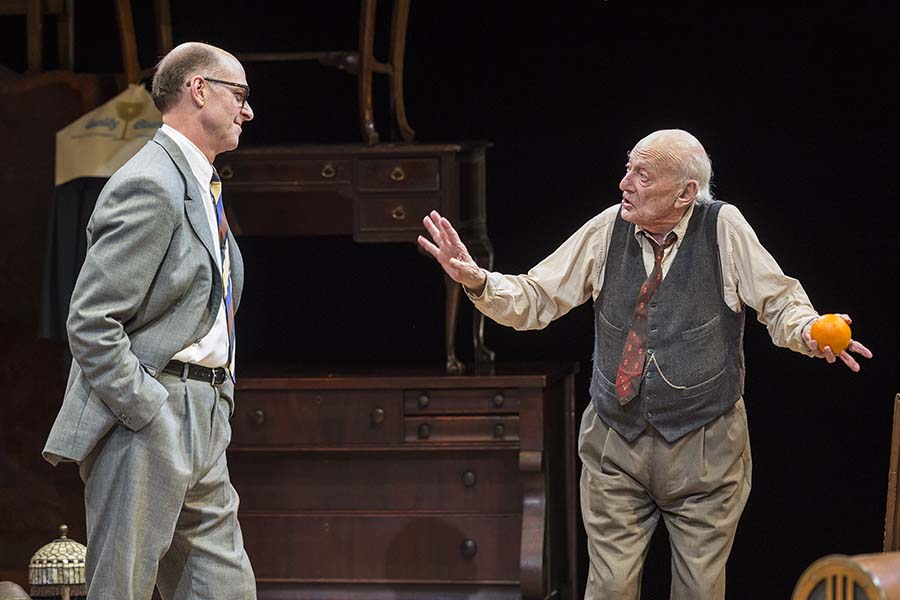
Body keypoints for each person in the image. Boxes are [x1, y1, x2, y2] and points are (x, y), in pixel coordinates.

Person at [417, 129, 873, 600]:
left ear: (685, 193)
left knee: (699, 590)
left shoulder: (723, 228)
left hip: (705, 447)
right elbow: (537, 298)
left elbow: (779, 302)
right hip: (615, 442)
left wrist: (809, 332)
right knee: (610, 587)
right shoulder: (607, 228)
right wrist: (478, 281)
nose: (624, 184)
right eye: (628, 168)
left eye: (642, 174)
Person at [42, 42, 256, 600]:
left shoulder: (202, 184)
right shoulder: (150, 182)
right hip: (151, 413)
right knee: (123, 586)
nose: (247, 111)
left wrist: (219, 397)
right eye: (240, 95)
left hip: (205, 412)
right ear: (199, 89)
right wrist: (146, 407)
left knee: (224, 587)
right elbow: (91, 320)